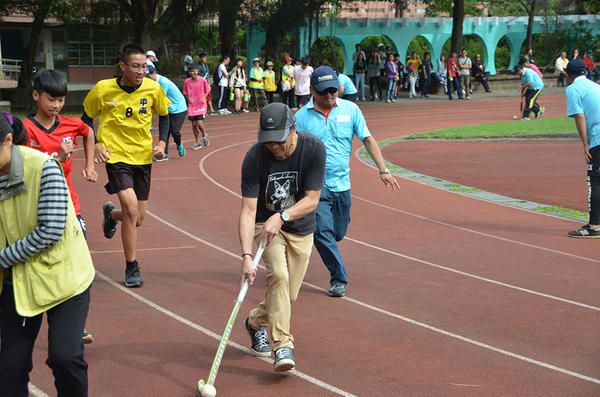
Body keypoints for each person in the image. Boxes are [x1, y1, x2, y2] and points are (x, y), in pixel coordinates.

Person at [0, 112, 95, 397]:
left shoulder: (43, 167)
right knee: (11, 365)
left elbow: (50, 231)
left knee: (65, 358)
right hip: (17, 280)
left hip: (63, 276)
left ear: (7, 141)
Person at [294, 66, 400, 298]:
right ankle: (339, 278)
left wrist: (383, 170)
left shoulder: (351, 109)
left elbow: (368, 139)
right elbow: (293, 152)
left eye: (333, 89)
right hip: (315, 186)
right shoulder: (301, 118)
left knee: (337, 233)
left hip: (342, 186)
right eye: (323, 91)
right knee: (322, 232)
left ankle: (323, 244)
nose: (329, 95)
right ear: (312, 90)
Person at [239, 103, 326, 372]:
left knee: (288, 296)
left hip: (299, 225)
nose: (275, 148)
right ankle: (283, 345)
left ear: (294, 129)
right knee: (278, 275)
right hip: (265, 224)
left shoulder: (313, 149)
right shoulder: (255, 157)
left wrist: (284, 215)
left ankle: (254, 322)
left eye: (280, 141)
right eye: (269, 143)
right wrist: (246, 256)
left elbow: (312, 200)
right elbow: (248, 210)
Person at [82, 43, 170, 287]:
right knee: (131, 209)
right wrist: (97, 144)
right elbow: (86, 119)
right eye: (135, 66)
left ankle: (111, 214)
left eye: (145, 66)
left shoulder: (153, 89)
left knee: (137, 218)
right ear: (122, 66)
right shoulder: (103, 89)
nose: (141, 71)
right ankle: (132, 268)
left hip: (142, 157)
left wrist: (163, 142)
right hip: (116, 156)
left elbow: (165, 114)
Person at [23, 69, 97, 344]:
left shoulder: (70, 123)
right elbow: (25, 168)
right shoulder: (24, 130)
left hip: (68, 206)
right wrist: (57, 157)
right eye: (51, 99)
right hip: (35, 207)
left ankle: (76, 326)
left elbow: (88, 132)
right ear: (36, 96)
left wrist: (89, 164)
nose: (56, 105)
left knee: (78, 262)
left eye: (61, 100)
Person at [564, 59, 600, 237]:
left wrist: (585, 144)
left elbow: (579, 116)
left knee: (595, 181)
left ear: (567, 74)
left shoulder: (573, 89)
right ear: (585, 72)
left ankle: (594, 226)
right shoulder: (595, 85)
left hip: (598, 138)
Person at [145, 65, 188, 159]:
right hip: (167, 108)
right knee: (165, 132)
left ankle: (179, 144)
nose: (147, 79)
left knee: (174, 131)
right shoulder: (152, 83)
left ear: (154, 73)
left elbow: (159, 98)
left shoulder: (163, 82)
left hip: (178, 108)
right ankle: (164, 153)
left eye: (148, 76)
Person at [183, 63, 211, 150]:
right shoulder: (187, 81)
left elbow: (208, 89)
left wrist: (204, 98)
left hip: (201, 104)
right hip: (192, 106)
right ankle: (197, 142)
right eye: (190, 71)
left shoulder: (202, 80)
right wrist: (188, 98)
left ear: (197, 71)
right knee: (194, 124)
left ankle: (204, 134)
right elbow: (185, 92)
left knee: (199, 123)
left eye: (194, 71)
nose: (192, 73)